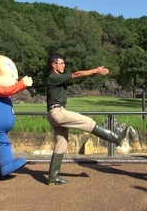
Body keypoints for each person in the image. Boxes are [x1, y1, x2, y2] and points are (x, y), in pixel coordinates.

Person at [45, 53, 128, 186]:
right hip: (58, 112)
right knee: (87, 122)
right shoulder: (54, 77)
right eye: (61, 63)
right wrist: (96, 70)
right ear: (53, 65)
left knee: (61, 144)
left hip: (54, 113)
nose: (64, 66)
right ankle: (116, 138)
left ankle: (53, 177)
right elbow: (77, 75)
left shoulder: (56, 78)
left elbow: (76, 76)